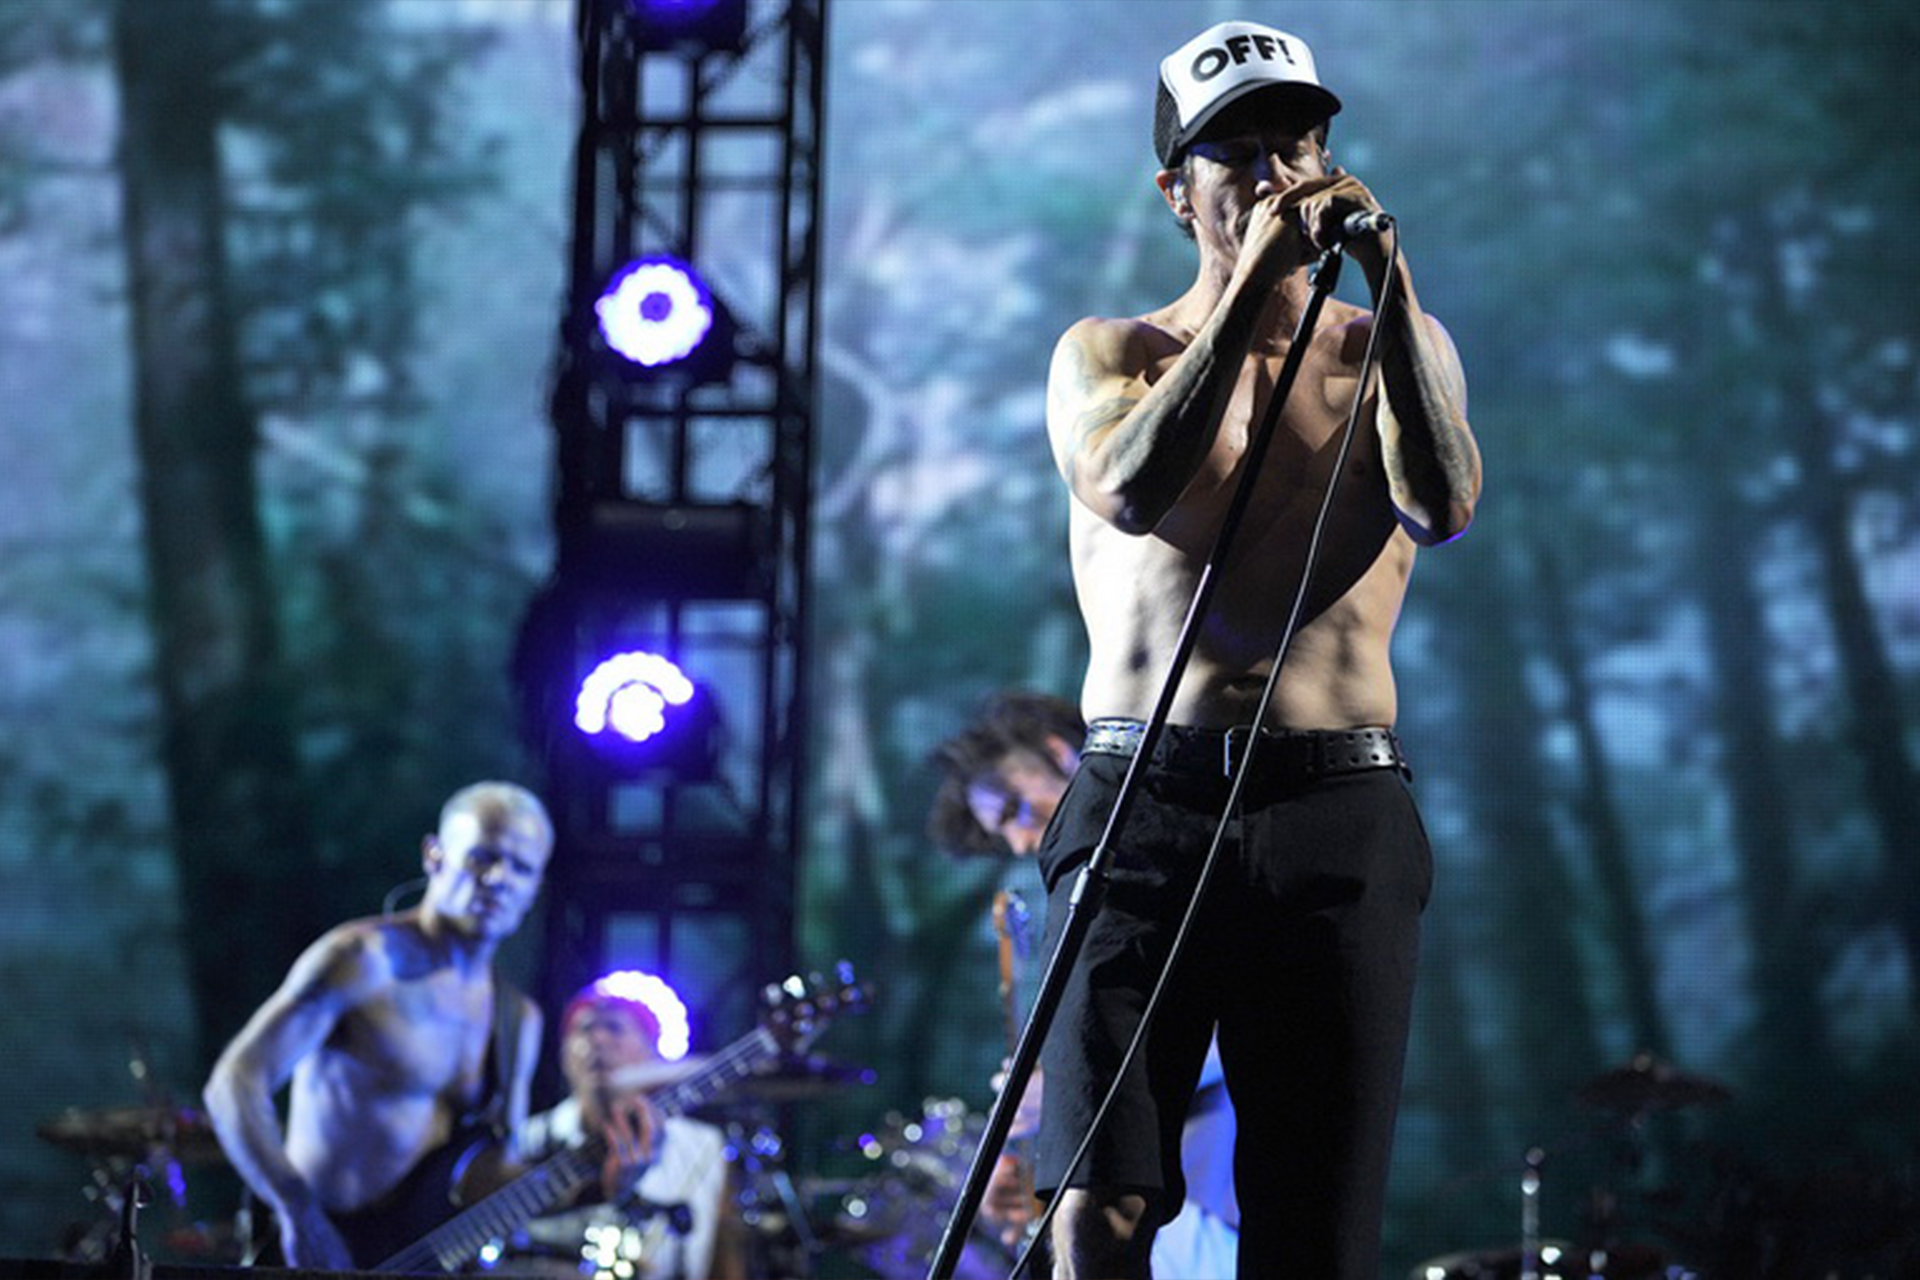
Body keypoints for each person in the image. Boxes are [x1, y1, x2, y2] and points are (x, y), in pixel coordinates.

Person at [1035, 19, 1481, 1280]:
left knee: (1313, 1232)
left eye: (1297, 144)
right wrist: (1249, 297)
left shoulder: (1392, 349)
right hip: (1145, 798)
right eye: (1236, 154)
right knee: (1099, 1204)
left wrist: (1388, 282)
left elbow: (1443, 504)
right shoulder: (1111, 354)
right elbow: (1130, 487)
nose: (1276, 175)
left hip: (1335, 804)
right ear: (1177, 191)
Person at [929, 691, 1238, 1279]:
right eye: (1003, 833)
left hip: (1219, 1198)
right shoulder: (1079, 899)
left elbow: (1247, 1022)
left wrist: (1068, 1090)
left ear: (1058, 752)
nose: (1020, 842)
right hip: (1156, 1209)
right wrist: (1028, 1152)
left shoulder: (1183, 840)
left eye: (1015, 809)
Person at [202, 782, 556, 1269]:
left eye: (522, 868)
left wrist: (594, 1181)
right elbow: (234, 1083)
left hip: (419, 1260)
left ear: (535, 886)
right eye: (483, 857)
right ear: (434, 855)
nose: (500, 880)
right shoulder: (363, 961)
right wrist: (297, 1210)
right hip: (317, 1254)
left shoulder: (518, 1019)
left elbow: (496, 1170)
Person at [515, 978, 747, 1280]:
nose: (597, 1040)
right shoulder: (527, 1138)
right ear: (563, 1056)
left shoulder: (703, 1146)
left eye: (614, 1028)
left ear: (653, 1052)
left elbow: (725, 1251)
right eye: (584, 1029)